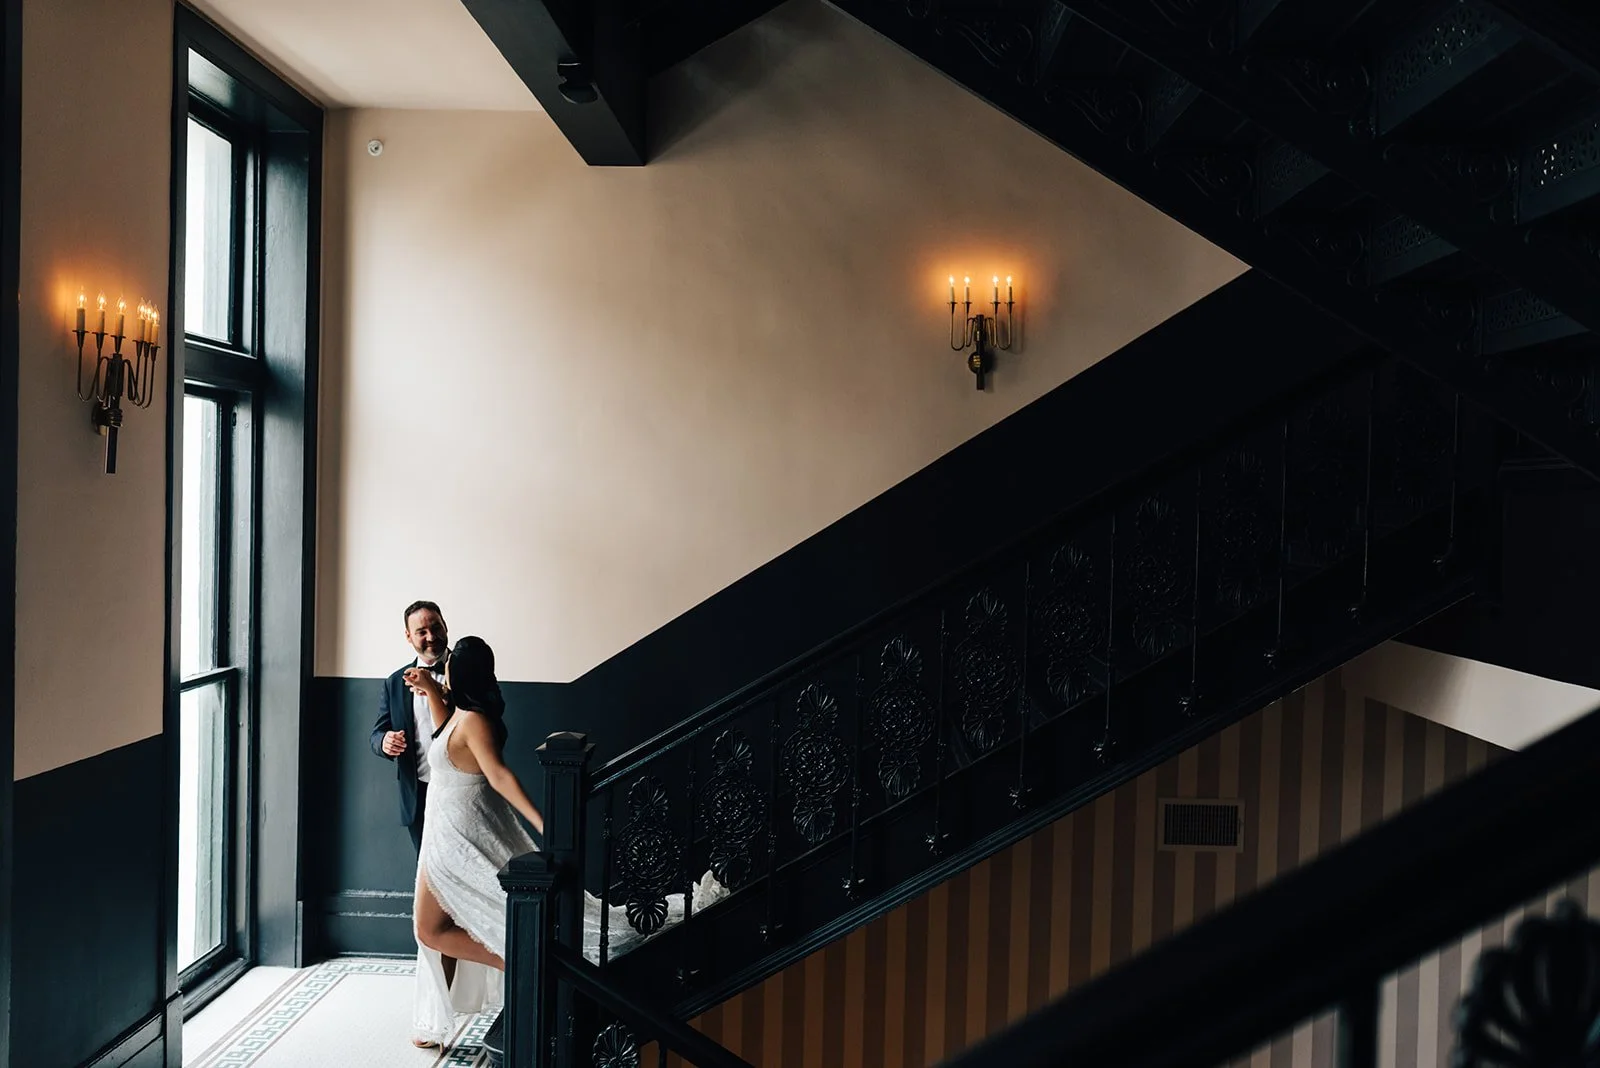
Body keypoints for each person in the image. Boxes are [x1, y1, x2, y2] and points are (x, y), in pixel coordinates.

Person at [406, 635, 732, 1049]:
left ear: (462, 672)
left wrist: (546, 824)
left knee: (431, 930)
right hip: (442, 834)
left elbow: (500, 777)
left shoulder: (474, 722)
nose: (444, 664)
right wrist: (434, 692)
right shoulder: (458, 714)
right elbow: (441, 738)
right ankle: (490, 985)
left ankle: (526, 964)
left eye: (450, 662)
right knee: (438, 927)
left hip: (458, 839)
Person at [370, 600, 450, 853]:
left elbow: (493, 711)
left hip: (460, 787)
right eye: (421, 632)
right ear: (408, 636)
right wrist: (384, 742)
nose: (431, 637)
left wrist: (441, 692)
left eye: (436, 628)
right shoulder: (395, 682)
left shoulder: (469, 670)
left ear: (445, 626)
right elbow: (376, 733)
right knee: (426, 871)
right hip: (418, 791)